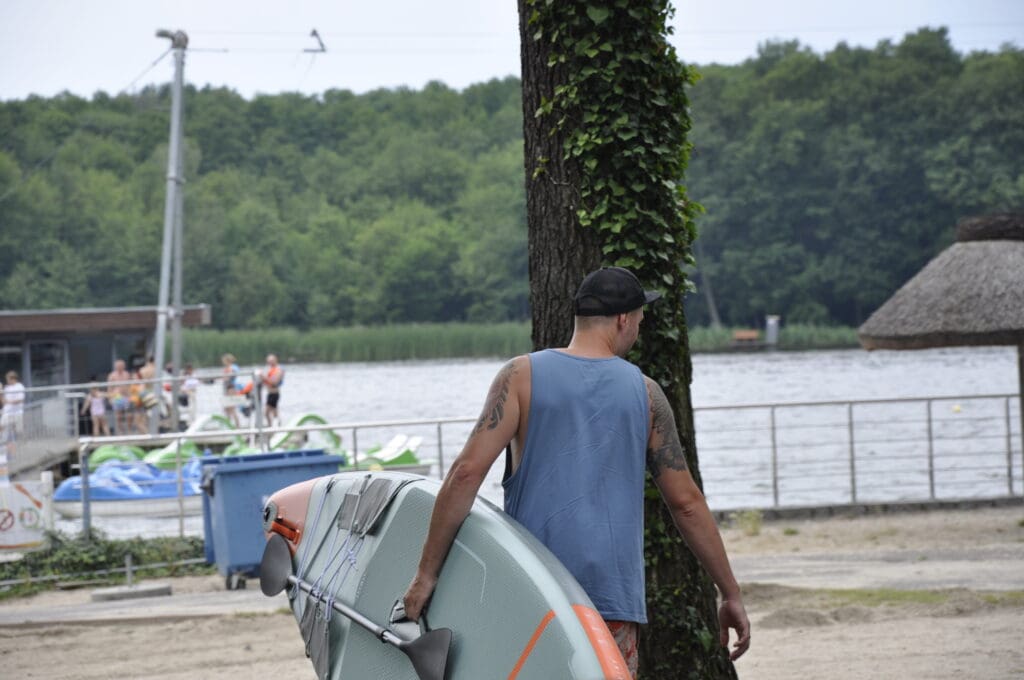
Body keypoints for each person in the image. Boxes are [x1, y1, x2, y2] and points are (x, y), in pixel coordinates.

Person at [402, 267, 750, 676]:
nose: (638, 326)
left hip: (532, 592)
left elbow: (465, 474)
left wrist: (426, 574)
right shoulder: (646, 394)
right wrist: (729, 593)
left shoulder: (519, 376)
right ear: (624, 319)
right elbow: (686, 504)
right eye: (640, 317)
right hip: (610, 601)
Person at [2, 371, 26, 456]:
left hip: (17, 412)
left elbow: (20, 399)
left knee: (18, 431)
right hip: (7, 413)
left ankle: (22, 448)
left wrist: (10, 402)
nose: (7, 381)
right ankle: (5, 449)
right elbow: (4, 401)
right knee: (3, 428)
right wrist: (1, 394)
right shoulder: (7, 388)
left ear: (13, 379)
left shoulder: (20, 386)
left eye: (8, 379)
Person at [107, 359, 132, 435]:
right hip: (117, 397)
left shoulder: (127, 374)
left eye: (121, 366)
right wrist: (110, 398)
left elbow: (130, 386)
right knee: (118, 416)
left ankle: (129, 430)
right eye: (118, 366)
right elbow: (109, 388)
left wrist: (131, 396)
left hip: (126, 396)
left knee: (129, 415)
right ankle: (120, 431)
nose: (120, 367)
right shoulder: (112, 375)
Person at [260, 354, 285, 427]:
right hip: (269, 393)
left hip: (275, 393)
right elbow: (266, 382)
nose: (270, 363)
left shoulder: (279, 370)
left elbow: (275, 382)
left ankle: (274, 427)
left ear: (276, 360)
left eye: (271, 361)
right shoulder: (269, 370)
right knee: (272, 412)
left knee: (268, 412)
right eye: (268, 361)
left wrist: (263, 377)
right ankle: (272, 426)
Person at [221, 354, 242, 427]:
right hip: (227, 389)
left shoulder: (232, 367)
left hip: (231, 389)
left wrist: (225, 377)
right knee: (226, 409)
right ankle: (229, 426)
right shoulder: (227, 368)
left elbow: (231, 376)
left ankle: (237, 427)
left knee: (232, 409)